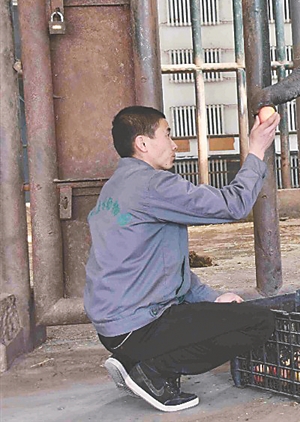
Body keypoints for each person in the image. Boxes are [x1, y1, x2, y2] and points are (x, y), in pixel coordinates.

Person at [84, 106, 280, 412]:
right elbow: (234, 205)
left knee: (225, 313)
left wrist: (213, 298)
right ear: (143, 143)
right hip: (140, 325)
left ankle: (133, 359)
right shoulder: (154, 186)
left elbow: (165, 268)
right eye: (168, 134)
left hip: (115, 329)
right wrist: (256, 149)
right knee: (258, 322)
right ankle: (152, 370)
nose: (175, 144)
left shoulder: (116, 187)